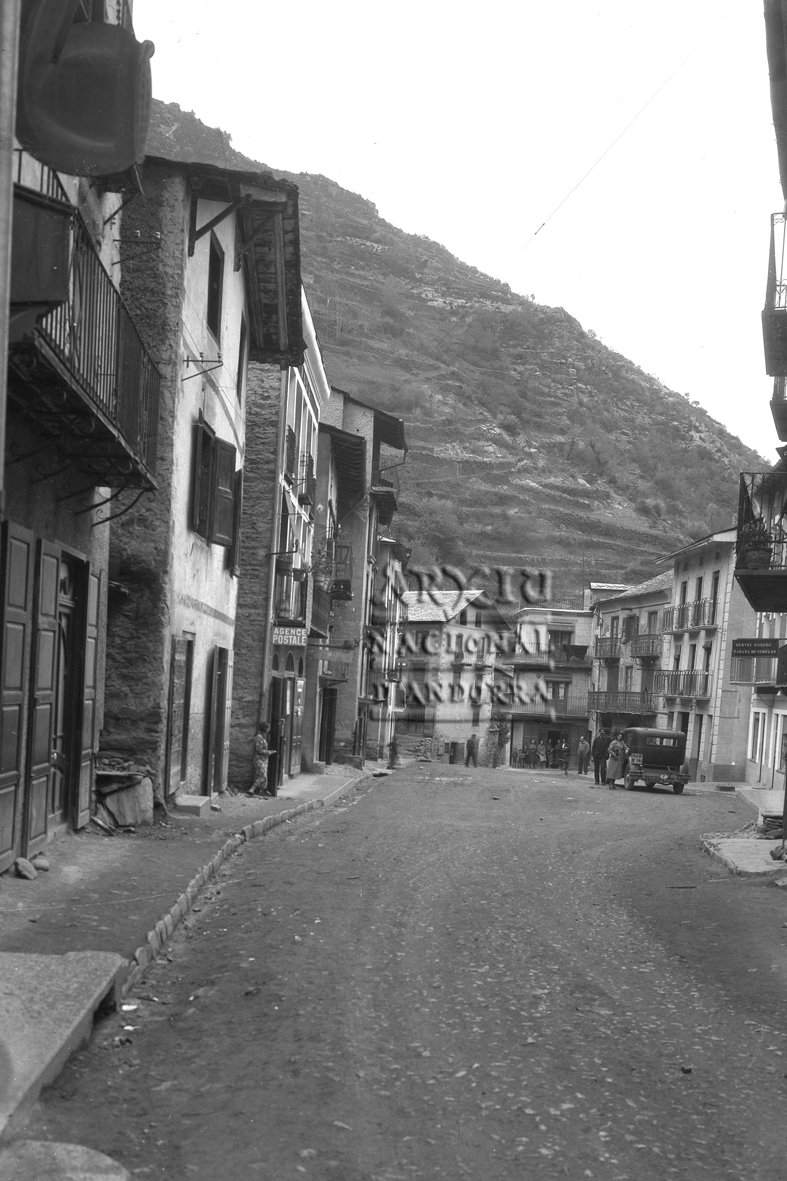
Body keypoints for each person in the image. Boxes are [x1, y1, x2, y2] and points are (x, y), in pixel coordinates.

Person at [247, 721, 274, 797]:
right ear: (265, 728)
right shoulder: (259, 737)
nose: (269, 729)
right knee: (263, 776)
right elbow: (259, 750)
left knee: (259, 775)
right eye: (268, 728)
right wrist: (268, 752)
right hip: (259, 760)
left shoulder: (262, 737)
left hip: (262, 759)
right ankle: (251, 789)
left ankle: (260, 792)